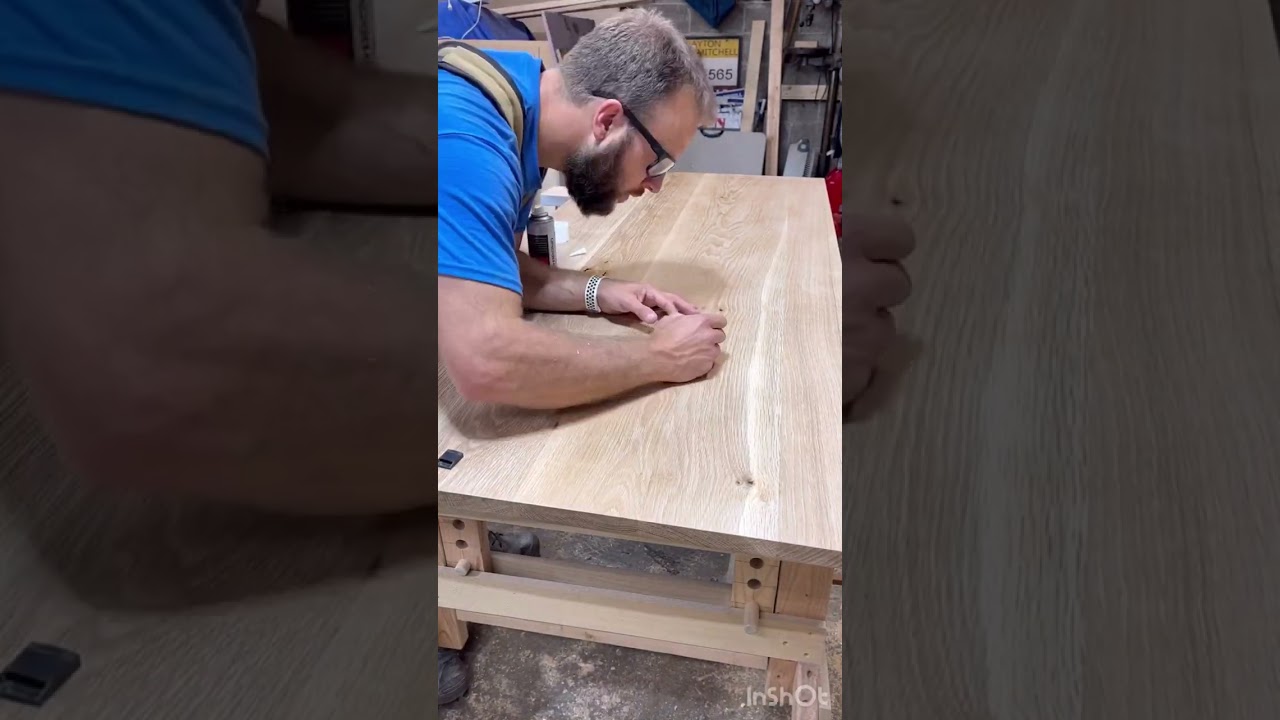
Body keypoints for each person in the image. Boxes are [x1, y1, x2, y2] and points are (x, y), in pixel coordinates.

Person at [438, 10, 731, 411]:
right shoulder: (466, 136)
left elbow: (483, 265)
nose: (655, 184)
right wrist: (659, 356)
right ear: (608, 120)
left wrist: (598, 292)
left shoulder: (519, 112)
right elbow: (487, 360)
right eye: (656, 162)